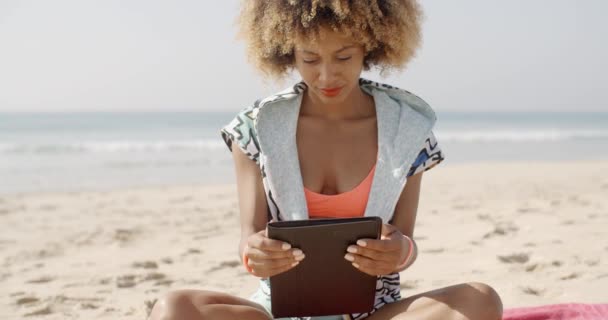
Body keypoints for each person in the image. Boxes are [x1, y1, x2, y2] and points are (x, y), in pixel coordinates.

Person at [149, 1, 503, 319]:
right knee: (173, 309)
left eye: (344, 57)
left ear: (372, 46)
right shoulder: (253, 128)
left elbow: (405, 240)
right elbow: (248, 238)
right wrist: (254, 252)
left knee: (482, 300)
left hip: (373, 313)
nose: (326, 75)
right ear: (288, 52)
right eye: (310, 59)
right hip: (279, 313)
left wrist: (400, 252)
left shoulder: (408, 129)